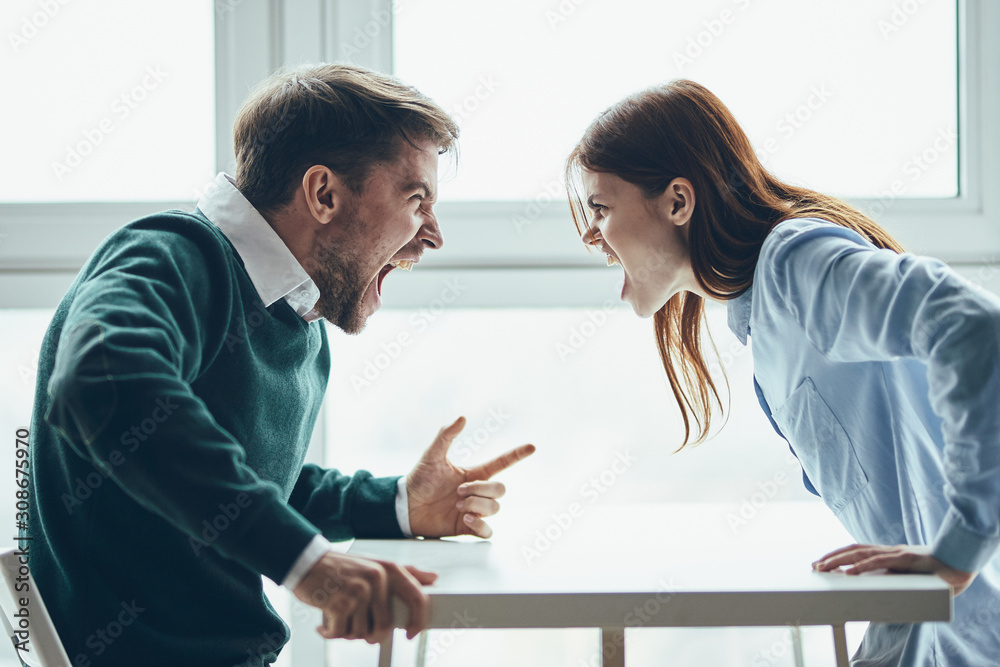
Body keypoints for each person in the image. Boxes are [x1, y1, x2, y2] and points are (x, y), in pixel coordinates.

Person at [25, 63, 534, 666]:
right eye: (416, 198)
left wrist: (397, 503)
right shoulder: (170, 255)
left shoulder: (295, 315)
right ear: (323, 194)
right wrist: (307, 563)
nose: (434, 235)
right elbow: (99, 383)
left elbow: (247, 483)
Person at [563, 79, 1000, 665]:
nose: (592, 235)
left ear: (677, 202)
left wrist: (957, 551)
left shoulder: (796, 264)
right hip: (930, 630)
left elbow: (974, 328)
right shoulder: (760, 315)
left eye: (601, 208)